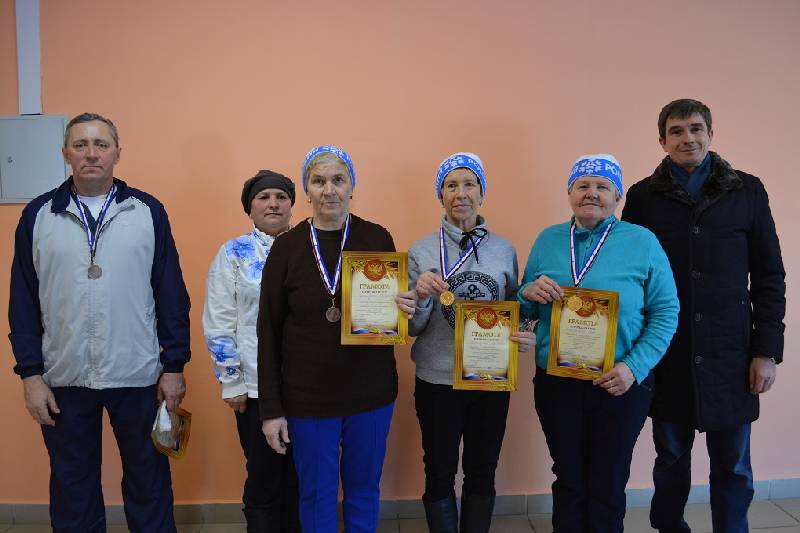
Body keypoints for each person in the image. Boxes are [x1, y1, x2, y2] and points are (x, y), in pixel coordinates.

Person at [8, 112, 190, 532]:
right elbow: (23, 301)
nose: (91, 153)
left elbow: (171, 293)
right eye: (81, 145)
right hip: (64, 376)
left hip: (138, 373)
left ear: (117, 153)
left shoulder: (147, 211)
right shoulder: (38, 215)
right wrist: (31, 374)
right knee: (73, 487)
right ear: (65, 154)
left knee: (149, 481)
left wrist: (174, 365)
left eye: (101, 144)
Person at [622, 99, 786, 533]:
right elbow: (630, 276)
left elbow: (769, 275)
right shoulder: (642, 197)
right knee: (669, 461)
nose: (687, 138)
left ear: (711, 134)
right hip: (667, 351)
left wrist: (766, 351)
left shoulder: (747, 190)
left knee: (733, 466)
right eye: (676, 131)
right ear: (662, 141)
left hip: (732, 355)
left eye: (695, 128)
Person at [258, 145, 416, 533]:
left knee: (364, 490)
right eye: (319, 181)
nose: (329, 190)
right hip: (309, 399)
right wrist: (271, 409)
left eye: (338, 180)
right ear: (306, 190)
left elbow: (393, 311)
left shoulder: (377, 237)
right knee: (317, 494)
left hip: (371, 394)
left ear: (352, 187)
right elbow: (268, 331)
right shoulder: (287, 247)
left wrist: (405, 305)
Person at [518, 154, 679, 533]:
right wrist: (527, 292)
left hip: (618, 383)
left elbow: (666, 312)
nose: (592, 193)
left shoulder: (642, 241)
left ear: (618, 196)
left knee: (608, 479)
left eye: (603, 187)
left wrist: (633, 368)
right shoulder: (548, 239)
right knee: (568, 477)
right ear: (569, 193)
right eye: (583, 185)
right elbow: (524, 306)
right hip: (557, 382)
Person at [408, 152, 532, 533]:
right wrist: (422, 296)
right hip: (437, 379)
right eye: (451, 185)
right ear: (441, 195)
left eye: (469, 184)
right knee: (439, 470)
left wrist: (524, 331)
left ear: (482, 192)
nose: (460, 193)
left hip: (490, 379)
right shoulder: (421, 251)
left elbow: (516, 306)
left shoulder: (504, 250)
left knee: (483, 468)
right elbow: (413, 326)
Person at [203, 170, 300, 531]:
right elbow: (219, 320)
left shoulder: (309, 247)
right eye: (264, 197)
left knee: (301, 476)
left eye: (281, 197)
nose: (273, 204)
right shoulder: (232, 253)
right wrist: (231, 380)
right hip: (256, 386)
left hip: (305, 386)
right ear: (250, 207)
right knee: (264, 475)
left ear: (291, 205)